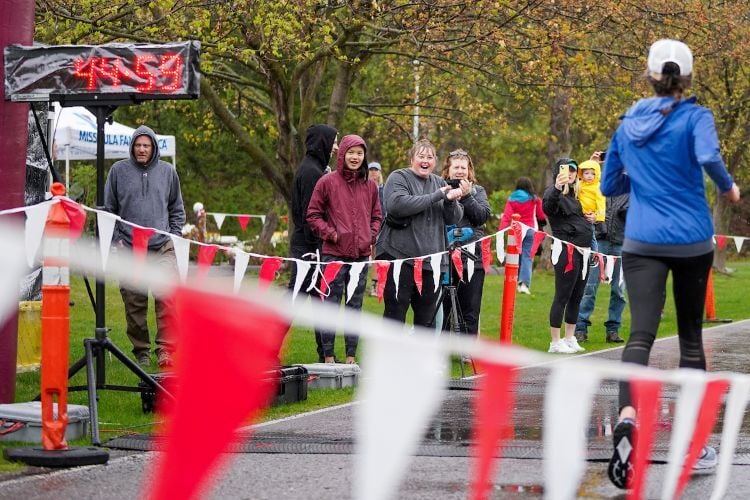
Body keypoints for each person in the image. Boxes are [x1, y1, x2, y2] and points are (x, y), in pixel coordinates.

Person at [603, 39, 740, 489]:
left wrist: (637, 173)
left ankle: (627, 419)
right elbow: (707, 156)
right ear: (687, 78)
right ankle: (695, 444)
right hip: (689, 240)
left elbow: (608, 184)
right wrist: (728, 187)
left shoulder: (627, 122)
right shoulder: (696, 116)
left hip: (641, 240)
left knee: (640, 335)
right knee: (691, 340)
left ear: (649, 76)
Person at [104, 125, 185, 369]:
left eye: (146, 145)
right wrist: (117, 238)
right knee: (134, 302)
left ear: (153, 148)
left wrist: (174, 235)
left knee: (167, 298)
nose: (141, 149)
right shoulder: (118, 171)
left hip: (162, 247)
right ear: (132, 147)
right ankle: (141, 351)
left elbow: (177, 209)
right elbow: (109, 210)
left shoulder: (168, 172)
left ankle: (165, 350)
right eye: (138, 145)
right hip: (130, 248)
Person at [307, 135, 382, 364]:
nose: (355, 157)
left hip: (359, 257)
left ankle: (351, 356)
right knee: (329, 306)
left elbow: (377, 216)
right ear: (343, 154)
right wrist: (332, 234)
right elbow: (313, 215)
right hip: (333, 255)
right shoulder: (327, 182)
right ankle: (328, 356)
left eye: (359, 153)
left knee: (354, 307)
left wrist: (370, 235)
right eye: (351, 152)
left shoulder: (370, 186)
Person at [375, 139, 465, 328]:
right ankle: (390, 357)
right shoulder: (398, 177)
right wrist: (437, 196)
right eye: (421, 156)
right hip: (400, 259)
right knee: (395, 314)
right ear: (412, 159)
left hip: (430, 264)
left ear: (435, 161)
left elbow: (453, 218)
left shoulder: (439, 182)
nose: (425, 160)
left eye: (430, 157)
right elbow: (397, 205)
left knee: (427, 319)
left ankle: (421, 357)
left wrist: (449, 201)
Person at [288, 124, 338, 363]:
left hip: (313, 246)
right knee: (293, 303)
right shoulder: (310, 172)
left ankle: (326, 355)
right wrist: (319, 246)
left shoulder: (317, 169)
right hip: (308, 248)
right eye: (334, 141)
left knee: (320, 301)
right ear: (323, 142)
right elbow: (311, 215)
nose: (336, 147)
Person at [542, 158, 592, 354]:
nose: (570, 173)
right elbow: (548, 208)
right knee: (562, 295)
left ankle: (569, 337)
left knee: (577, 296)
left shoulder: (577, 194)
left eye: (573, 170)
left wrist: (591, 218)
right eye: (567, 170)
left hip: (584, 251)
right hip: (566, 251)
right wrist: (556, 187)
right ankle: (555, 341)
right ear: (558, 172)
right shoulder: (553, 192)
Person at [440, 149, 491, 337]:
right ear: (448, 170)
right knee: (442, 305)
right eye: (456, 167)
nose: (460, 171)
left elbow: (482, 217)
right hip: (444, 256)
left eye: (464, 167)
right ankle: (441, 348)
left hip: (472, 257)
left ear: (469, 171)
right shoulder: (439, 188)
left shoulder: (478, 191)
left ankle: (468, 349)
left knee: (470, 305)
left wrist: (467, 197)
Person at [574, 186, 629, 344]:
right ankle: (580, 328)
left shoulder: (631, 189)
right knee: (589, 287)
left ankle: (613, 330)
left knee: (618, 290)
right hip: (598, 242)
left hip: (621, 244)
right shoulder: (597, 187)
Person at [498, 177, 546, 294]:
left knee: (516, 257)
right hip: (530, 230)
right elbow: (541, 216)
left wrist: (501, 231)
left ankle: (514, 281)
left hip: (516, 231)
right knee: (527, 257)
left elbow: (506, 217)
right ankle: (523, 284)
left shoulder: (512, 199)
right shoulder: (535, 200)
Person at [576, 159, 606, 251]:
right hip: (579, 215)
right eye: (587, 173)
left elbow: (601, 202)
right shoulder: (579, 184)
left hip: (590, 215)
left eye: (593, 174)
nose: (590, 176)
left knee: (591, 235)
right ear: (581, 174)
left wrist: (598, 217)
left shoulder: (598, 186)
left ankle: (595, 253)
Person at [367, 161, 385, 296]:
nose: (373, 172)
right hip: (365, 227)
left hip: (381, 227)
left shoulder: (383, 189)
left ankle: (376, 285)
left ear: (380, 172)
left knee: (377, 256)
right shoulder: (363, 187)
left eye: (376, 170)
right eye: (371, 170)